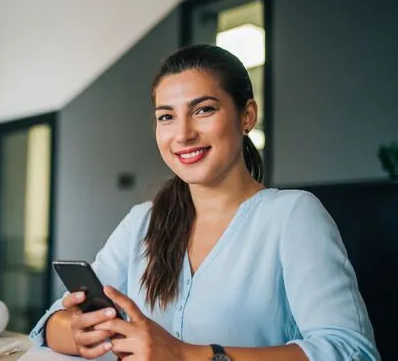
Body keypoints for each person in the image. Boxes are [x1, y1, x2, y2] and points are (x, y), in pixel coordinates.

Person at [27, 44, 379, 361]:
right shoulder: (143, 223)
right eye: (166, 116)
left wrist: (187, 356)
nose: (182, 134)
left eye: (204, 110)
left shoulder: (292, 216)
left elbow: (350, 351)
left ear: (247, 116)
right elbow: (51, 324)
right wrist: (77, 331)